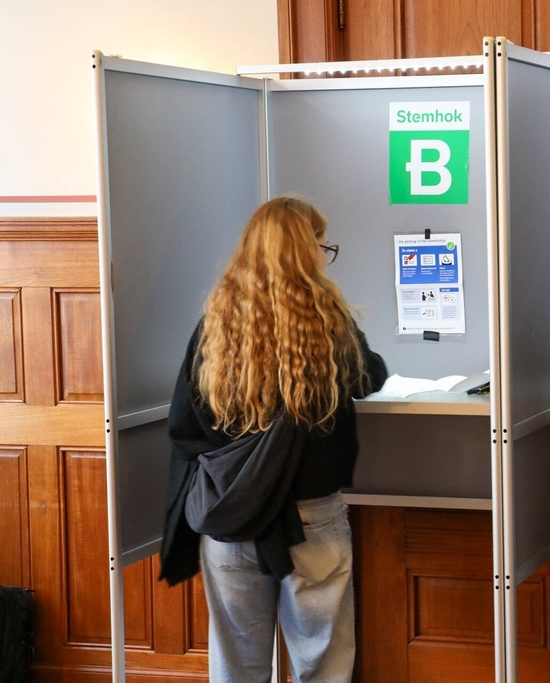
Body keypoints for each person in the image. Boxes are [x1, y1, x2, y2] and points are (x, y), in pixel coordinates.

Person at [158, 196, 388, 683]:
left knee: (237, 664)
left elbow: (185, 424)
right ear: (308, 253)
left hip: (233, 513)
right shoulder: (327, 325)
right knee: (322, 661)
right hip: (312, 517)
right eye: (324, 246)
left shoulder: (215, 326)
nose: (327, 256)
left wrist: (241, 472)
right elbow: (370, 377)